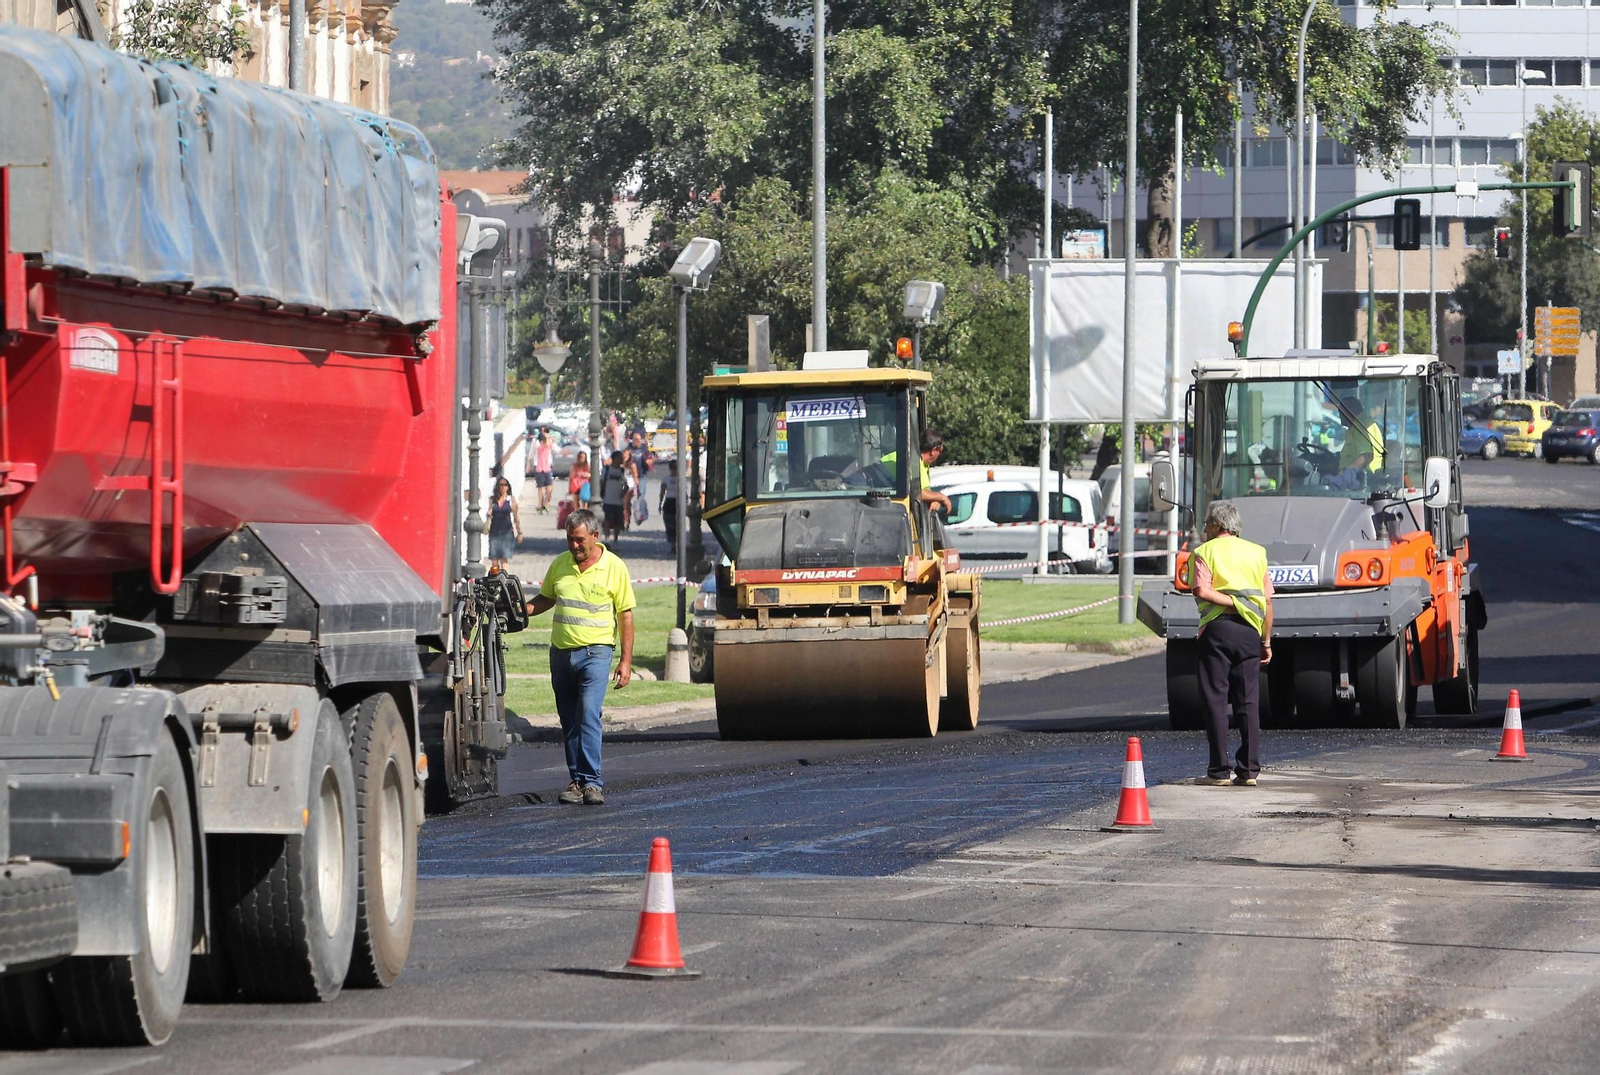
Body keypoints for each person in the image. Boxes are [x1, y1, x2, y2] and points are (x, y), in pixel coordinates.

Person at [523, 510, 635, 806]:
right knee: (570, 719)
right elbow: (546, 598)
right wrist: (521, 611)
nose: (574, 546)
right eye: (570, 540)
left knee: (588, 713)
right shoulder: (561, 564)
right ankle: (577, 781)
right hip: (561, 654)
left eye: (580, 540)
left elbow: (625, 615)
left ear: (596, 537)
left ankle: (593, 783)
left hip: (596, 654)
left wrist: (626, 661)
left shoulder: (615, 567)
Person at [1187, 500, 1274, 787]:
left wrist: (1232, 603)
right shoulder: (1257, 553)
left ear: (1215, 526)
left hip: (1217, 630)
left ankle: (1219, 771)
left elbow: (1201, 589)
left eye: (1206, 525)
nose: (1203, 530)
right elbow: (1268, 602)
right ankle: (1249, 771)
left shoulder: (1203, 552)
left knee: (1215, 698)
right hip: (1251, 631)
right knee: (1248, 700)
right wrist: (1266, 640)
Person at [881, 431, 952, 514]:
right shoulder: (913, 462)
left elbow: (926, 491)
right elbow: (916, 492)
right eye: (940, 450)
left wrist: (935, 499)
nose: (940, 454)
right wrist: (942, 497)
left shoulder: (921, 463)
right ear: (933, 451)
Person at [486, 475, 521, 574]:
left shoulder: (511, 500)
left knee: (504, 558)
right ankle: (495, 579)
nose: (503, 487)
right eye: (501, 485)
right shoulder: (493, 500)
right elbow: (489, 513)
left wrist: (519, 532)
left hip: (506, 532)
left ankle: (504, 579)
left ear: (508, 487)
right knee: (494, 559)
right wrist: (489, 512)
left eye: (505, 485)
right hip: (494, 532)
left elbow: (516, 517)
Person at [597, 450, 629, 542]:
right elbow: (601, 482)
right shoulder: (606, 469)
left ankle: (615, 539)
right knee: (606, 520)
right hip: (608, 499)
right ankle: (607, 539)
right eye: (620, 458)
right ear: (614, 459)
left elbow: (627, 484)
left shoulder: (622, 471)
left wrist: (623, 493)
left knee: (618, 522)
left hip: (618, 501)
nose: (621, 460)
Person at [530, 426, 556, 513]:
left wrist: (549, 438)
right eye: (541, 431)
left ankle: (546, 502)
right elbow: (532, 452)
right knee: (541, 487)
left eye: (545, 431)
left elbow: (554, 446)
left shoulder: (549, 441)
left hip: (548, 466)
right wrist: (528, 463)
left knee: (549, 487)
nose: (543, 433)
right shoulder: (537, 442)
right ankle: (540, 504)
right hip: (538, 466)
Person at [659, 458, 680, 554]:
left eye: (676, 468)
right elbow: (662, 491)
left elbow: (684, 492)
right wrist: (660, 503)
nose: (674, 470)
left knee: (677, 525)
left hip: (678, 502)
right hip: (669, 501)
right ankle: (672, 544)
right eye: (673, 468)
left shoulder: (680, 479)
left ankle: (676, 545)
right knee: (669, 524)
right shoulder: (666, 479)